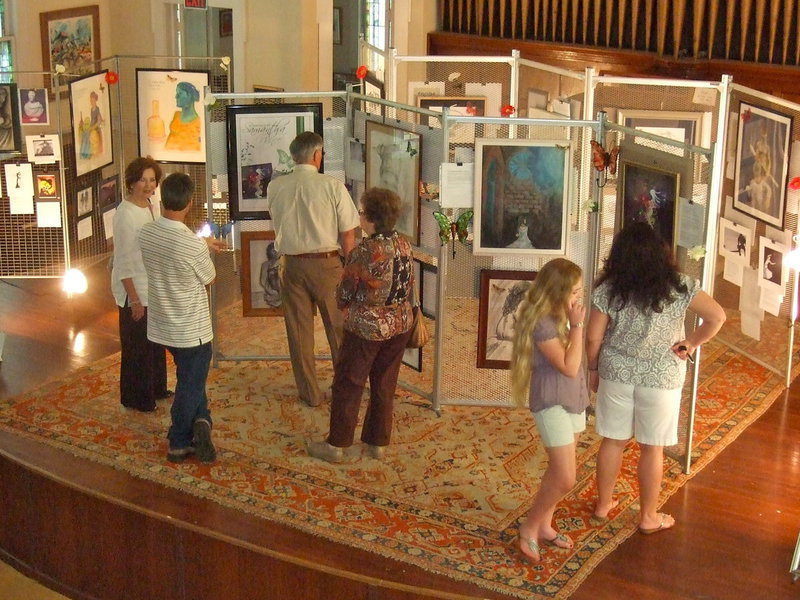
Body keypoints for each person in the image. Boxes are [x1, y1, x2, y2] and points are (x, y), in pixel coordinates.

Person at [585, 222, 725, 535]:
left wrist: (593, 370)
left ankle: (603, 505)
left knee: (614, 441)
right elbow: (717, 316)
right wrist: (691, 342)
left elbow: (593, 339)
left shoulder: (608, 289)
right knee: (652, 448)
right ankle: (648, 517)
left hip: (617, 373)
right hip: (661, 378)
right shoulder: (681, 285)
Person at [307, 187, 414, 462]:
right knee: (384, 383)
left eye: (362, 212)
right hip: (401, 324)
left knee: (349, 383)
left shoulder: (365, 251)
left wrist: (344, 306)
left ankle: (337, 446)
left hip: (366, 328)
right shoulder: (404, 243)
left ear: (371, 218)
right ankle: (377, 443)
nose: (359, 216)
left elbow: (344, 292)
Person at [266, 131, 360, 407]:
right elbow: (348, 235)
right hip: (326, 264)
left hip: (290, 266)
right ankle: (345, 389)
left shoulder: (275, 187)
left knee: (298, 332)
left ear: (294, 157)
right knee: (339, 329)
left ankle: (309, 393)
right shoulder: (332, 186)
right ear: (318, 155)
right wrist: (350, 269)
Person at [138, 173, 226, 463]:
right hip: (192, 328)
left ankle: (202, 422)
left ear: (163, 200)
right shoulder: (191, 244)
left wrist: (203, 247)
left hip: (162, 323)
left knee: (190, 377)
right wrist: (204, 250)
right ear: (189, 203)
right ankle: (178, 440)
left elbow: (172, 257)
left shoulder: (146, 233)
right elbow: (209, 278)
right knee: (189, 384)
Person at [508, 258, 588, 562]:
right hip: (552, 401)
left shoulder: (563, 313)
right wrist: (578, 325)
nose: (578, 298)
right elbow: (568, 366)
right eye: (574, 292)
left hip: (573, 398)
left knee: (557, 470)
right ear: (557, 291)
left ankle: (544, 524)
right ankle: (529, 526)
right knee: (566, 477)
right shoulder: (543, 322)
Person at [110, 157, 171, 412]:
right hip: (134, 289)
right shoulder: (125, 215)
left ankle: (156, 389)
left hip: (152, 284)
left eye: (152, 180)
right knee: (137, 347)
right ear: (132, 182)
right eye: (142, 180)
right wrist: (133, 298)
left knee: (155, 343)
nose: (148, 185)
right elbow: (122, 261)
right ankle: (137, 398)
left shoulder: (152, 204)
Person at [164, 81, 201, 152]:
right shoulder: (176, 115)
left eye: (180, 93)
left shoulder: (197, 123)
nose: (176, 96)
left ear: (189, 96)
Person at [259, 242, 281, 308]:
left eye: (276, 250)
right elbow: (263, 281)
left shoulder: (284, 263)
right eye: (273, 250)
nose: (275, 252)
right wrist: (273, 293)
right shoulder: (265, 265)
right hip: (271, 294)